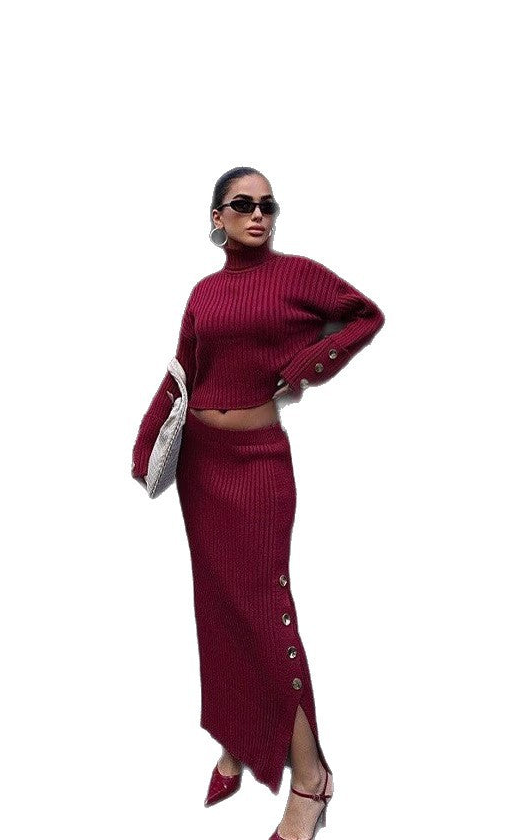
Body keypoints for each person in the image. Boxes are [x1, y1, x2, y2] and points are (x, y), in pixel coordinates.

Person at [130, 166, 385, 840]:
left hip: (257, 464)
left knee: (264, 615)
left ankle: (311, 777)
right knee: (217, 608)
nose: (258, 215)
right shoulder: (204, 292)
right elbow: (182, 372)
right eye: (242, 204)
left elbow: (366, 314)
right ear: (217, 218)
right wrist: (145, 440)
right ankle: (237, 740)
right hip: (201, 466)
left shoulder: (297, 276)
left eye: (268, 205)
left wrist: (306, 366)